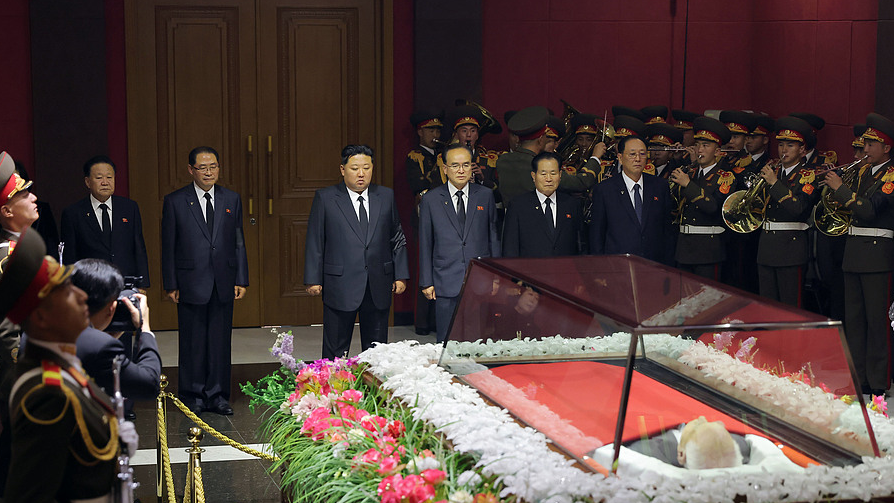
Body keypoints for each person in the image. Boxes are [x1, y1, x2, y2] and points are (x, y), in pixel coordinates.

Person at [1, 229, 138, 502]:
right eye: (65, 292)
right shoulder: (46, 394)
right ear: (41, 318)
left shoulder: (62, 362)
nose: (82, 296)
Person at [161, 146, 248, 416]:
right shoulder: (175, 201)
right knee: (193, 341)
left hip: (223, 280)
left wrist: (241, 279)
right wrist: (171, 283)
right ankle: (192, 395)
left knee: (220, 342)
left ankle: (218, 395)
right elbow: (168, 245)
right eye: (203, 167)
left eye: (214, 167)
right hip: (190, 281)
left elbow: (238, 241)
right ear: (191, 170)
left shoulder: (231, 199)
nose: (209, 172)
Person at [304, 145, 409, 359]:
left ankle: (372, 389)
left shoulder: (385, 196)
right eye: (354, 168)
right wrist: (312, 279)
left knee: (377, 349)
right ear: (342, 169)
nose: (361, 174)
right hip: (340, 282)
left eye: (366, 168)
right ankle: (333, 390)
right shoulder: (326, 198)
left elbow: (397, 236)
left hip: (378, 280)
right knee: (336, 347)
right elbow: (315, 240)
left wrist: (401, 274)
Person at [824, 113, 894, 396]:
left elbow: (868, 209)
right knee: (853, 319)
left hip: (877, 255)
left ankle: (878, 381)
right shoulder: (863, 172)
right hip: (853, 252)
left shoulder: (891, 176)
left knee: (876, 321)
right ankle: (857, 377)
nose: (865, 149)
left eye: (872, 144)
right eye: (865, 143)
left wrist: (840, 188)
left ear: (887, 147)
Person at [419, 143, 500, 342]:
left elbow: (493, 236)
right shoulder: (430, 199)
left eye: (465, 165)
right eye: (455, 165)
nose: (461, 170)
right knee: (447, 340)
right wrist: (427, 281)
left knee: (478, 340)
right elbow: (425, 242)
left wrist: (498, 275)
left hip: (479, 279)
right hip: (444, 278)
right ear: (445, 168)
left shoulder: (485, 195)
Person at [72, 258, 161, 415]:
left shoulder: (38, 329)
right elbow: (149, 385)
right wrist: (144, 327)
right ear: (111, 308)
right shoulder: (100, 347)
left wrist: (108, 337)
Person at [755, 117, 819, 307]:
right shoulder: (773, 171)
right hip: (766, 246)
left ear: (802, 150)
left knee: (790, 306)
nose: (783, 150)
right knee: (767, 305)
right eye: (781, 144)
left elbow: (798, 208)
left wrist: (774, 183)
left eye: (790, 145)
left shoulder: (807, 176)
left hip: (790, 249)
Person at [61, 156, 151, 289]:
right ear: (87, 182)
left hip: (125, 282)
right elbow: (70, 255)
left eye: (109, 177)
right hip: (90, 285)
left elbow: (139, 247)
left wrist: (142, 285)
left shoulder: (129, 207)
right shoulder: (73, 213)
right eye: (99, 178)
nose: (105, 182)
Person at [0, 151, 34, 495]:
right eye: (23, 194)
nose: (33, 197)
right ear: (7, 210)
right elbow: (10, 331)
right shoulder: (10, 255)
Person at [670, 116, 738, 280]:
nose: (699, 150)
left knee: (708, 300)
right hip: (684, 248)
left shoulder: (725, 177)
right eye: (698, 144)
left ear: (717, 152)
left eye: (705, 145)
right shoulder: (690, 173)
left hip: (708, 249)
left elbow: (713, 207)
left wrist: (688, 185)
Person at [590, 135, 674, 264]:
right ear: (620, 158)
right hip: (617, 265)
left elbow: (667, 230)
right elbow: (597, 235)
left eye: (642, 154)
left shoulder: (659, 186)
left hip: (654, 264)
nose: (638, 159)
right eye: (632, 154)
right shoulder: (605, 190)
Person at [502, 151, 583, 257]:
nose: (548, 179)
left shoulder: (571, 204)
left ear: (560, 175)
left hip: (565, 270)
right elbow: (510, 247)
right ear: (533, 176)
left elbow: (581, 244)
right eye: (543, 174)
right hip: (530, 270)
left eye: (553, 173)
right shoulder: (518, 206)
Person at [497, 106, 550, 208]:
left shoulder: (502, 160)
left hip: (509, 221)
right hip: (535, 220)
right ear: (540, 139)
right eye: (545, 136)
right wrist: (591, 158)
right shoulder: (540, 165)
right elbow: (579, 183)